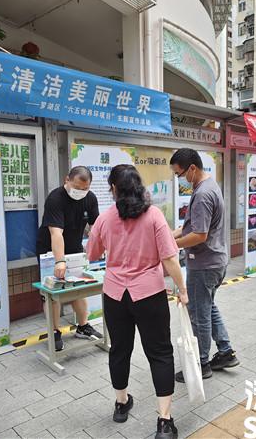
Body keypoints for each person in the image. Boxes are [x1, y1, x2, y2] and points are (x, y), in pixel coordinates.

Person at [86, 164, 187, 439]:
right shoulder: (154, 215)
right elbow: (170, 258)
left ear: (114, 189)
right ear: (139, 187)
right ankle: (164, 421)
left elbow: (92, 254)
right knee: (160, 353)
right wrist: (182, 289)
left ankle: (121, 403)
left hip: (115, 296)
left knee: (119, 350)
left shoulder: (104, 219)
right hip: (149, 294)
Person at [169, 148, 239, 382]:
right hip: (215, 261)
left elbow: (199, 235)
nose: (180, 179)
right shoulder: (209, 185)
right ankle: (225, 351)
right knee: (208, 307)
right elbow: (190, 227)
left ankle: (201, 364)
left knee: (199, 314)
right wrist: (170, 235)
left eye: (179, 174)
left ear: (192, 168)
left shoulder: (201, 194)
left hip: (204, 264)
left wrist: (172, 245)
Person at [36, 166, 102, 351]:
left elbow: (96, 228)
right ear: (67, 180)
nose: (81, 192)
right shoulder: (55, 198)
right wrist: (59, 261)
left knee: (78, 288)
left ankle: (83, 326)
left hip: (74, 248)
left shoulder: (90, 198)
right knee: (53, 292)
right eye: (77, 187)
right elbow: (56, 233)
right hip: (50, 250)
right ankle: (54, 331)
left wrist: (99, 249)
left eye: (85, 188)